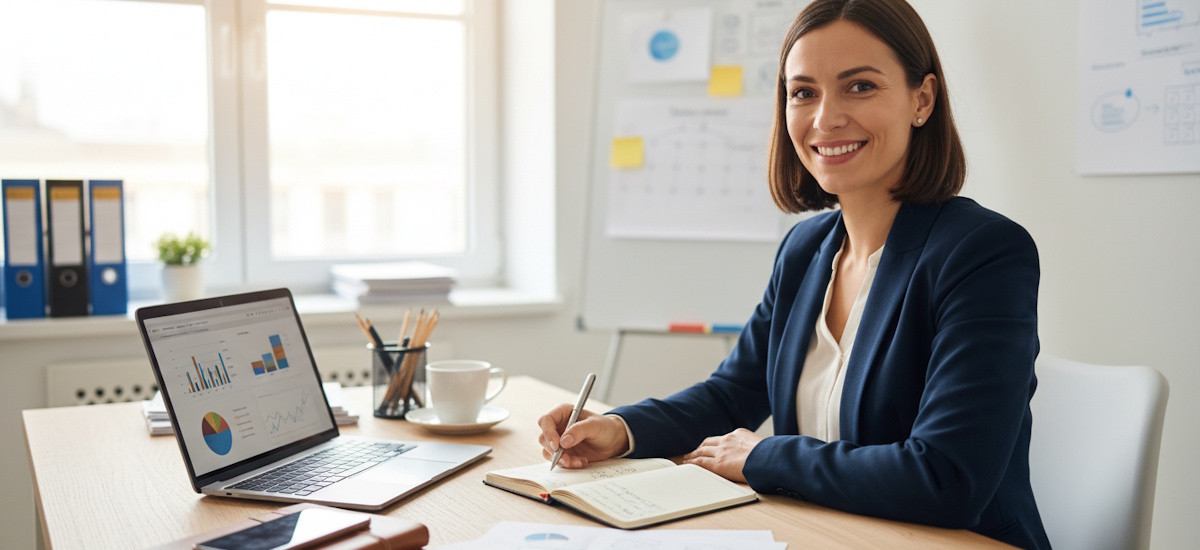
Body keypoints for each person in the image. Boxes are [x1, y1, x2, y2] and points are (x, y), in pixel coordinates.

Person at [538, 0, 1051, 548]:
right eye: (803, 92)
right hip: (822, 534)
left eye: (859, 86)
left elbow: (946, 478)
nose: (825, 118)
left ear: (921, 100)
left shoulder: (983, 254)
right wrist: (620, 429)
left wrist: (764, 456)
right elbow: (734, 392)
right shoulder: (806, 249)